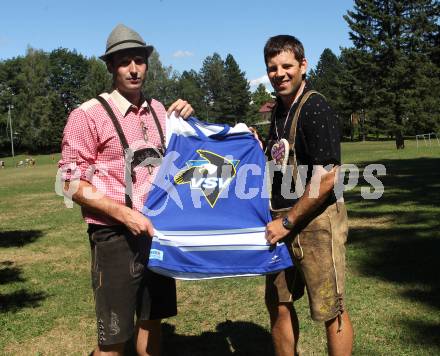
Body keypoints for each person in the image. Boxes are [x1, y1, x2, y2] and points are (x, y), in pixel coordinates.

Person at [58, 24, 194, 356]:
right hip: (114, 235)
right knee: (114, 338)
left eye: (139, 60)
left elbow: (189, 155)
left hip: (157, 233)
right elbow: (69, 181)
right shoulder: (87, 114)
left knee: (152, 321)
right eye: (124, 62)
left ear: (147, 63)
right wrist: (124, 214)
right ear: (110, 66)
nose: (133, 69)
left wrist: (194, 118)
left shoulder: (160, 110)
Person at [263, 35, 354, 356]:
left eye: (287, 66)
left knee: (331, 309)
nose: (280, 73)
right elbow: (275, 158)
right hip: (280, 223)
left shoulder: (316, 107)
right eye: (272, 68)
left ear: (303, 65)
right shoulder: (277, 111)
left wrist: (287, 222)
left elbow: (328, 177)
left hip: (316, 223)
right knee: (279, 304)